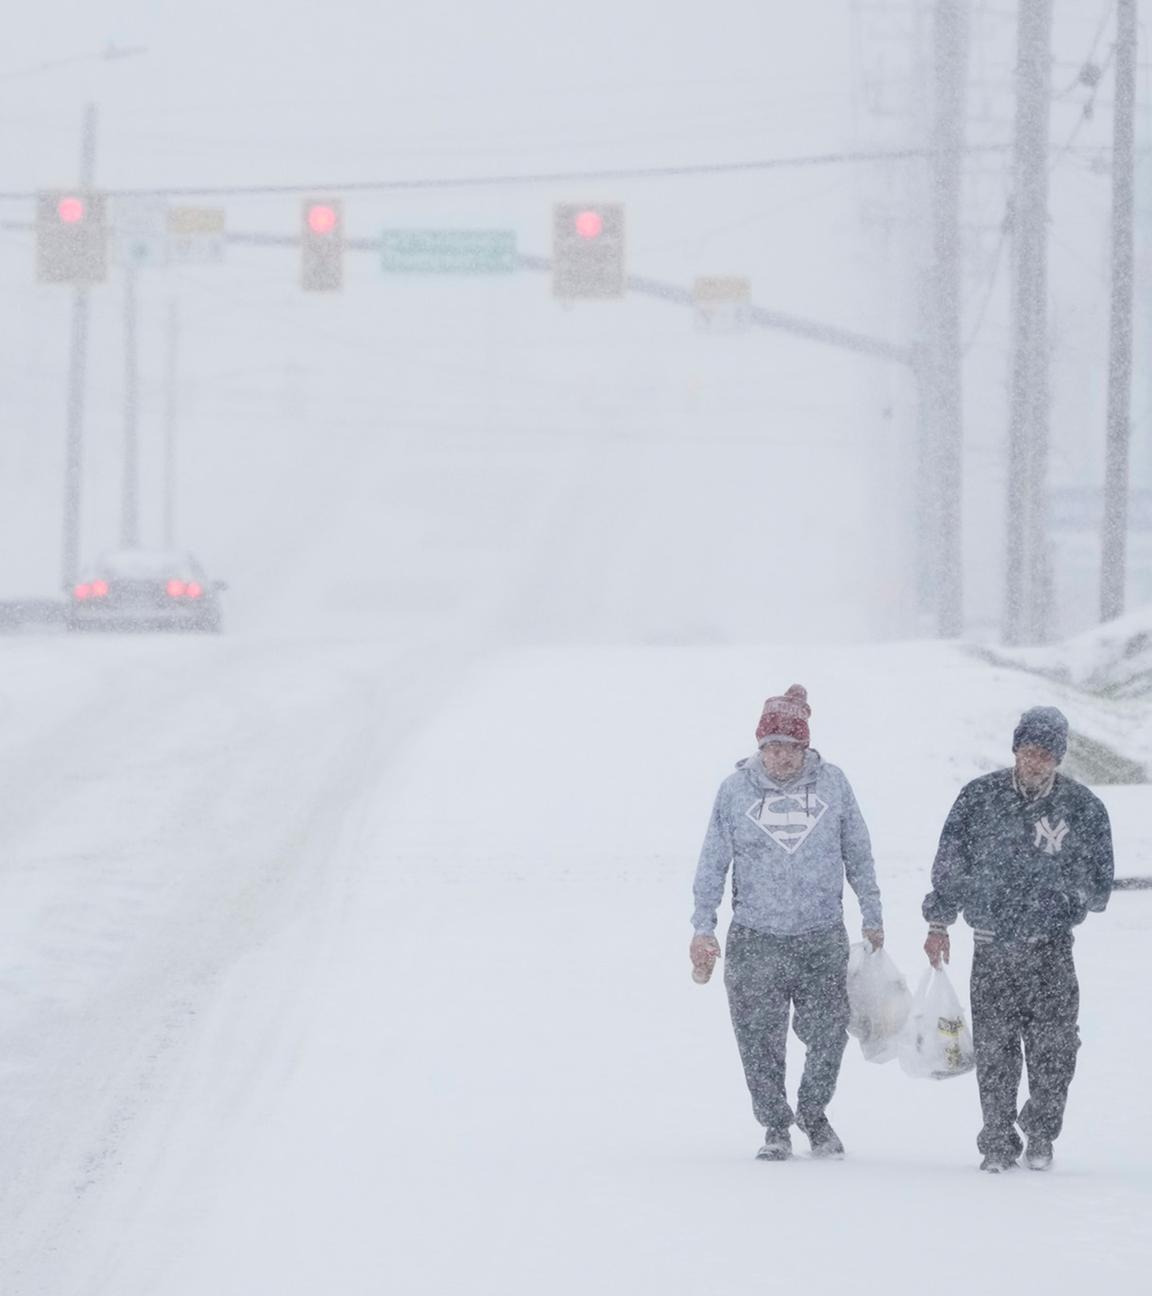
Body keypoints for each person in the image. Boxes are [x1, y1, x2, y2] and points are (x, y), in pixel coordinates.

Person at [690, 685, 884, 1162]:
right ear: (760, 748)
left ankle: (814, 1114)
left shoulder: (833, 785)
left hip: (821, 935)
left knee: (828, 1030)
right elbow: (713, 860)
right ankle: (776, 1125)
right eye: (771, 747)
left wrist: (872, 911)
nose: (780, 757)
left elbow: (857, 850)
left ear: (805, 748)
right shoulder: (734, 791)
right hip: (755, 937)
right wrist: (703, 924)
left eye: (789, 747)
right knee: (758, 1038)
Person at [921, 706, 1114, 1174]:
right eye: (1029, 750)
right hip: (991, 949)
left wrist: (1060, 889)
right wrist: (939, 923)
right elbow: (950, 866)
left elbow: (1100, 886)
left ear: (1059, 757)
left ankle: (1041, 1131)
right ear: (1015, 749)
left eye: (1047, 753)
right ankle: (997, 1142)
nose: (1036, 760)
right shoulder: (979, 798)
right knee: (995, 1051)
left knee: (1057, 1049)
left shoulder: (1082, 807)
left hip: (1050, 949)